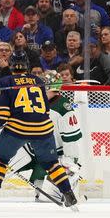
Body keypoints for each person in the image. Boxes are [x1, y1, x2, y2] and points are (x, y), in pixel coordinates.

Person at [0, 51, 78, 210]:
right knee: (52, 164)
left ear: (11, 65)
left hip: (18, 129)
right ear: (27, 65)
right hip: (43, 129)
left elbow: (1, 115)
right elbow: (45, 110)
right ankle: (69, 195)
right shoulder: (38, 81)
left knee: (0, 160)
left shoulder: (5, 82)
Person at [13, 70, 82, 202]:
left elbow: (71, 139)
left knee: (46, 198)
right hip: (32, 151)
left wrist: (69, 162)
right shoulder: (34, 102)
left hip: (55, 157)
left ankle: (71, 190)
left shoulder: (63, 108)